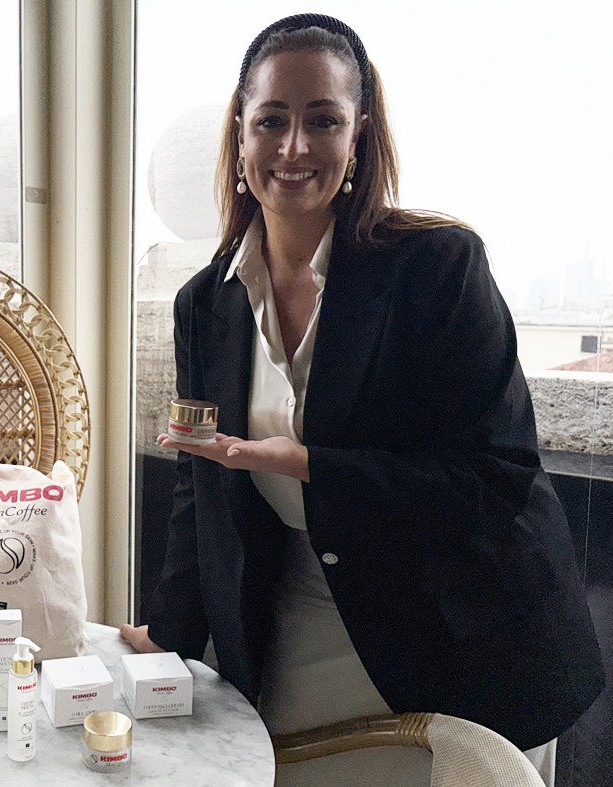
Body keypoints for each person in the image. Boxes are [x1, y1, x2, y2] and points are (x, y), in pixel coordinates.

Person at [120, 13, 604, 786]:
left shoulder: (438, 267)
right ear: (238, 135)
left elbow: (493, 480)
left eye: (322, 120)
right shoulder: (202, 304)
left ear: (358, 136)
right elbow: (197, 480)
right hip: (298, 616)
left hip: (461, 628)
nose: (293, 146)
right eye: (270, 120)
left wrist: (310, 463)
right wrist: (171, 635)